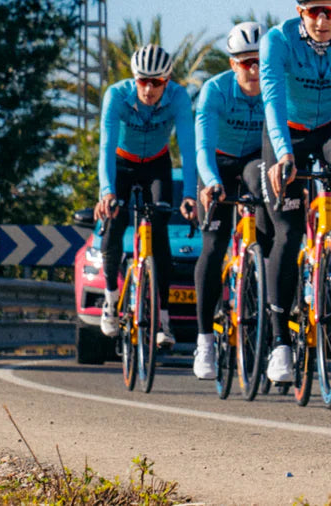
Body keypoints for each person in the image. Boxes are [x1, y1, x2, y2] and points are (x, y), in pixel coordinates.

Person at [259, 0, 331, 384]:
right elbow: (273, 99)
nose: (322, 20)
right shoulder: (277, 41)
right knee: (288, 231)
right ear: (300, 13)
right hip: (286, 134)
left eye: (330, 11)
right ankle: (279, 344)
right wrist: (282, 155)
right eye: (313, 12)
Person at [95, 44, 196, 348]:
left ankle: (163, 318)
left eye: (157, 83)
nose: (149, 89)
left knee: (160, 232)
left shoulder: (178, 98)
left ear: (168, 81)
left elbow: (189, 150)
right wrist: (107, 192)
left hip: (157, 164)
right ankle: (112, 300)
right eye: (143, 81)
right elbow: (105, 146)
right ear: (134, 78)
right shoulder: (116, 95)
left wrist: (190, 194)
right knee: (114, 221)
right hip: (122, 163)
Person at [191, 22, 269, 380]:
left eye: (258, 61)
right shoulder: (215, 91)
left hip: (256, 161)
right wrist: (210, 183)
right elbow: (202, 148)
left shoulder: (274, 87)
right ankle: (205, 339)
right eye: (244, 63)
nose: (252, 70)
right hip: (218, 165)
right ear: (232, 64)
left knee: (272, 228)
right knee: (213, 245)